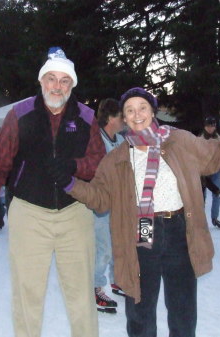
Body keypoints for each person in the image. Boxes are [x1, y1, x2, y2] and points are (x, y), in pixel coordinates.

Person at [47, 87, 220, 337]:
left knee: (182, 308)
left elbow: (219, 153)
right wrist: (70, 183)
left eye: (142, 107)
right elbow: (99, 198)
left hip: (179, 228)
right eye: (130, 110)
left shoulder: (179, 141)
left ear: (153, 110)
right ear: (124, 117)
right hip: (144, 228)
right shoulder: (117, 158)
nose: (137, 114)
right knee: (140, 307)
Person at [0, 47, 105, 337]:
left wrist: (73, 167)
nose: (57, 86)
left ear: (72, 85)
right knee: (28, 294)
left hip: (74, 212)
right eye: (51, 78)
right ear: (41, 81)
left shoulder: (86, 117)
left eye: (64, 80)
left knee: (80, 295)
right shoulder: (20, 113)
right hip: (29, 212)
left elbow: (100, 163)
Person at [93, 98, 125, 314]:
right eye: (121, 116)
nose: (125, 120)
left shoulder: (121, 140)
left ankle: (117, 280)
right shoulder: (95, 141)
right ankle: (95, 289)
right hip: (101, 204)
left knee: (119, 245)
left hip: (119, 203)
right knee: (103, 248)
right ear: (111, 118)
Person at [200, 116, 220, 229]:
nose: (210, 128)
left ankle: (215, 218)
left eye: (212, 126)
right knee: (201, 197)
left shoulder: (219, 139)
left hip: (215, 171)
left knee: (217, 194)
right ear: (205, 126)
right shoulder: (200, 139)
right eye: (208, 126)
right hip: (203, 172)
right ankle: (200, 220)